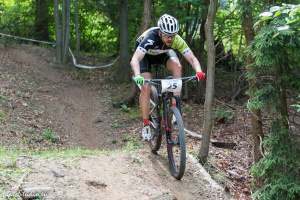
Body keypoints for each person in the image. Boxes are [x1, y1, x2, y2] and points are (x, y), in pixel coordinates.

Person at [130, 14, 206, 141]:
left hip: (163, 53)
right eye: (167, 35)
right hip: (145, 56)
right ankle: (146, 123)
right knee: (146, 87)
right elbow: (135, 60)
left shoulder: (176, 40)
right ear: (160, 32)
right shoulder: (150, 38)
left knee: (177, 66)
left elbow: (192, 58)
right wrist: (138, 76)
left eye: (173, 35)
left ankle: (174, 104)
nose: (170, 38)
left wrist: (198, 71)